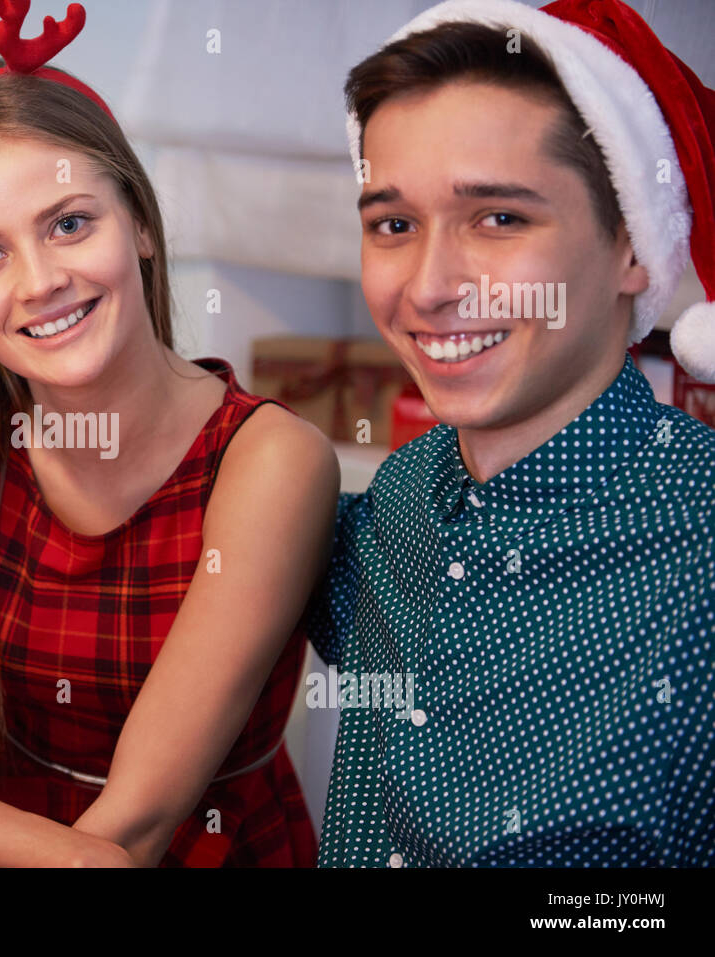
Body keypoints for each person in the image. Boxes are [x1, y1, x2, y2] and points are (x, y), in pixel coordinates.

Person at [0, 2, 338, 867]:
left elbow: (136, 826)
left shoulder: (270, 461)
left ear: (142, 224)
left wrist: (88, 859)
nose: (40, 282)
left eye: (69, 223)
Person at [301, 0, 715, 866]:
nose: (430, 286)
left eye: (499, 218)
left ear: (631, 246)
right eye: (394, 225)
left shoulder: (698, 547)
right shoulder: (401, 497)